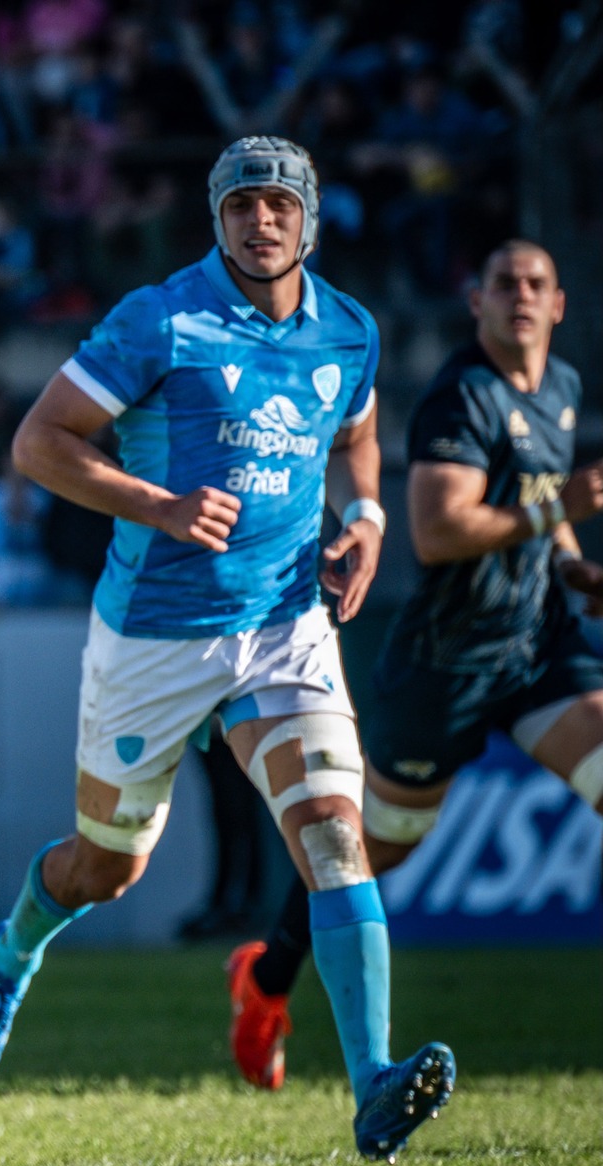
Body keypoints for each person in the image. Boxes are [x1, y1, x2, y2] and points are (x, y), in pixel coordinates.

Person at [0, 137, 455, 1163]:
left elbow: (356, 439)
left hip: (282, 631)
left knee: (331, 837)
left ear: (307, 219)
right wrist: (160, 506)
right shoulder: (157, 320)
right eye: (238, 207)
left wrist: (362, 522)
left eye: (275, 205)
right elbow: (40, 443)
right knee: (104, 869)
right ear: (213, 220)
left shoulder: (345, 332)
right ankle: (10, 952)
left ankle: (369, 1087)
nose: (257, 222)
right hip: (154, 639)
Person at [230, 240, 603, 1089]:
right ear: (474, 302)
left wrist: (577, 564)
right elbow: (440, 528)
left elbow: (545, 509)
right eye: (503, 282)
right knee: (366, 853)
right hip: (446, 667)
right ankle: (265, 981)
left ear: (560, 304)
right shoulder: (460, 393)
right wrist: (560, 503)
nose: (520, 296)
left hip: (540, 648)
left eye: (536, 284)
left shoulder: (564, 388)